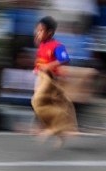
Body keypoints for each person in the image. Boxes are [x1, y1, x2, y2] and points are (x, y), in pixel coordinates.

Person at [31, 16, 79, 147]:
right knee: (40, 104)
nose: (37, 33)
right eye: (37, 30)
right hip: (40, 77)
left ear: (50, 33)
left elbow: (65, 59)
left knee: (42, 102)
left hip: (51, 80)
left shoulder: (57, 45)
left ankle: (54, 128)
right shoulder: (42, 44)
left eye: (41, 30)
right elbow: (41, 58)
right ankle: (57, 132)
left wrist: (49, 66)